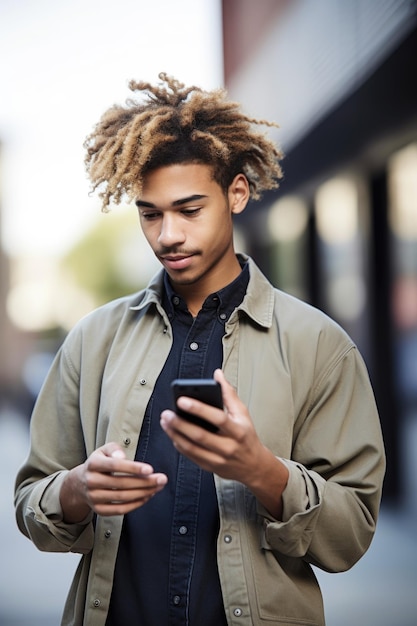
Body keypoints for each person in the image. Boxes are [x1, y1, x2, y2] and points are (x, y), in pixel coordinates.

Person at [15, 73, 385, 626]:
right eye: (150, 213)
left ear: (237, 193)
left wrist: (263, 472)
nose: (167, 235)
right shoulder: (93, 340)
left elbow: (352, 533)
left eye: (189, 210)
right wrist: (76, 489)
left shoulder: (320, 345)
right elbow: (30, 502)